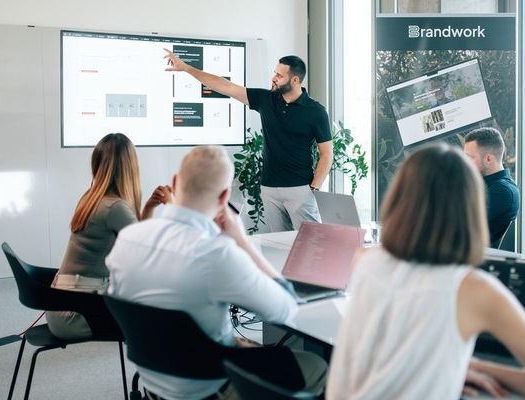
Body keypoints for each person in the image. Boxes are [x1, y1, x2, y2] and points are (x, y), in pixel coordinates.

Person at [326, 143, 525, 400]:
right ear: (471, 208)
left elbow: (393, 348)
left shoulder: (365, 260)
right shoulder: (474, 289)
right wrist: (477, 366)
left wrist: (445, 367)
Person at [105, 146, 326, 400]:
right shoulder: (217, 254)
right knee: (317, 367)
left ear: (176, 182)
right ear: (224, 197)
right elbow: (285, 309)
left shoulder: (128, 238)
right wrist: (242, 242)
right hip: (207, 385)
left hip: (153, 381)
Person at [163, 50, 333, 232]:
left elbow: (326, 154)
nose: (274, 78)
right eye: (275, 73)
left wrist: (313, 188)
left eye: (279, 75)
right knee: (280, 246)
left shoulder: (316, 111)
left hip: (300, 189)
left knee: (312, 243)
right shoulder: (266, 99)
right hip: (269, 189)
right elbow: (225, 86)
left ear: (295, 80)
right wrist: (187, 68)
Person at [45, 133, 171, 340]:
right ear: (130, 167)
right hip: (76, 315)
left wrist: (148, 207)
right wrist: (174, 206)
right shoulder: (115, 207)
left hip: (62, 306)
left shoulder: (91, 197)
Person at [463, 127, 520, 248]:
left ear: (488, 159)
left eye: (469, 158)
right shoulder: (483, 184)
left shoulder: (503, 191)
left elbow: (458, 222)